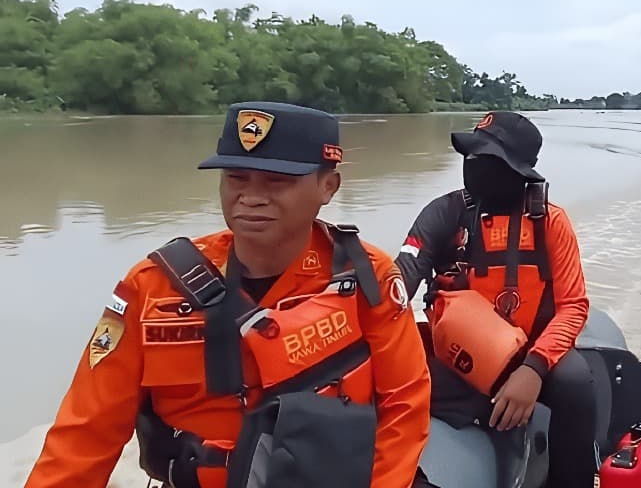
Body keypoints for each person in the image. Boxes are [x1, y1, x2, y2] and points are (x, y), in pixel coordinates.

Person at [25, 101, 432, 488]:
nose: (251, 197)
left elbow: (405, 404)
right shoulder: (151, 287)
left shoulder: (367, 276)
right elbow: (85, 433)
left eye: (278, 181)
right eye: (236, 178)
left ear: (329, 187)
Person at [395, 110, 595, 488]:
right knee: (374, 377)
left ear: (518, 169)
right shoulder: (444, 213)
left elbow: (573, 306)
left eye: (486, 157)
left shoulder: (550, 222)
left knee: (574, 382)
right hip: (455, 359)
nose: (473, 164)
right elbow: (401, 278)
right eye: (470, 154)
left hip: (528, 353)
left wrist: (532, 370)